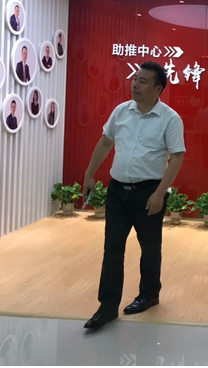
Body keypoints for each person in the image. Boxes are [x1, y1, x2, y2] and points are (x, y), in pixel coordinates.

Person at [82, 61, 185, 330]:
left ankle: (149, 294)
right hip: (117, 191)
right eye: (135, 79)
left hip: (148, 192)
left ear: (158, 89)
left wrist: (160, 193)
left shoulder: (170, 118)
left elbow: (177, 158)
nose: (135, 85)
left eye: (143, 81)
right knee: (112, 248)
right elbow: (106, 142)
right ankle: (107, 307)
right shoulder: (121, 111)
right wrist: (89, 174)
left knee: (149, 248)